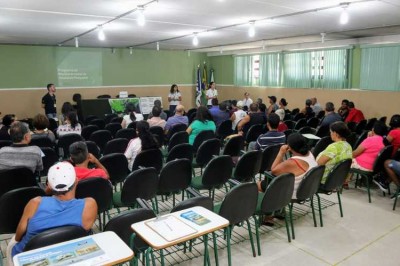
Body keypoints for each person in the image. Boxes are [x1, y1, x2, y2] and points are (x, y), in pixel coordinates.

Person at [6, 162, 97, 264]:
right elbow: (83, 229)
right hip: (69, 255)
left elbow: (18, 236)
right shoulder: (89, 205)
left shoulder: (35, 203)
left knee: (11, 244)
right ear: (76, 181)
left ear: (48, 185)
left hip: (30, 259)